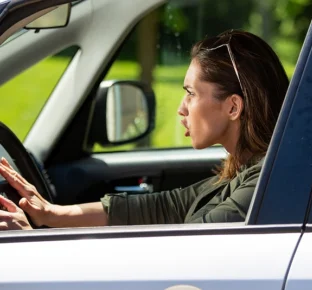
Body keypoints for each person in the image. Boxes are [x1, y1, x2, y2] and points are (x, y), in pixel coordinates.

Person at [0, 29, 289, 230]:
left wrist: (33, 242)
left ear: (233, 107)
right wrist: (52, 214)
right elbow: (169, 206)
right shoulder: (245, 171)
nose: (181, 107)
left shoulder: (261, 185)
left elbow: (190, 249)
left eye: (191, 93)